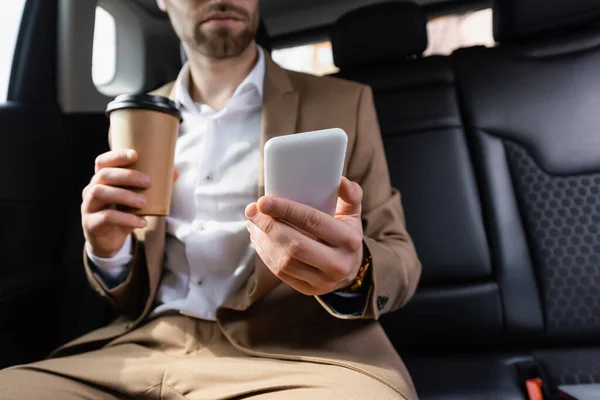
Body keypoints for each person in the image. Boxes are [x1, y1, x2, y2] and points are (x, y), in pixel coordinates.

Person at [0, 0, 421, 398]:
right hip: (143, 348)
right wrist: (109, 253)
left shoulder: (345, 103)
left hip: (301, 355)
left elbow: (398, 253)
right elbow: (129, 293)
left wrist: (353, 273)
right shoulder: (133, 118)